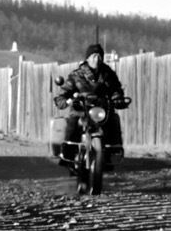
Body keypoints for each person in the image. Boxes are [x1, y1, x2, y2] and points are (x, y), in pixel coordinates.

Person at [51, 42, 129, 174]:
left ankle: (113, 152)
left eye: (99, 56)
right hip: (81, 110)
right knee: (72, 123)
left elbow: (116, 89)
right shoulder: (77, 75)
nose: (96, 59)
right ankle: (68, 155)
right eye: (93, 56)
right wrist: (66, 99)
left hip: (101, 111)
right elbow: (64, 92)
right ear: (87, 58)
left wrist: (117, 98)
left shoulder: (108, 74)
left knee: (114, 120)